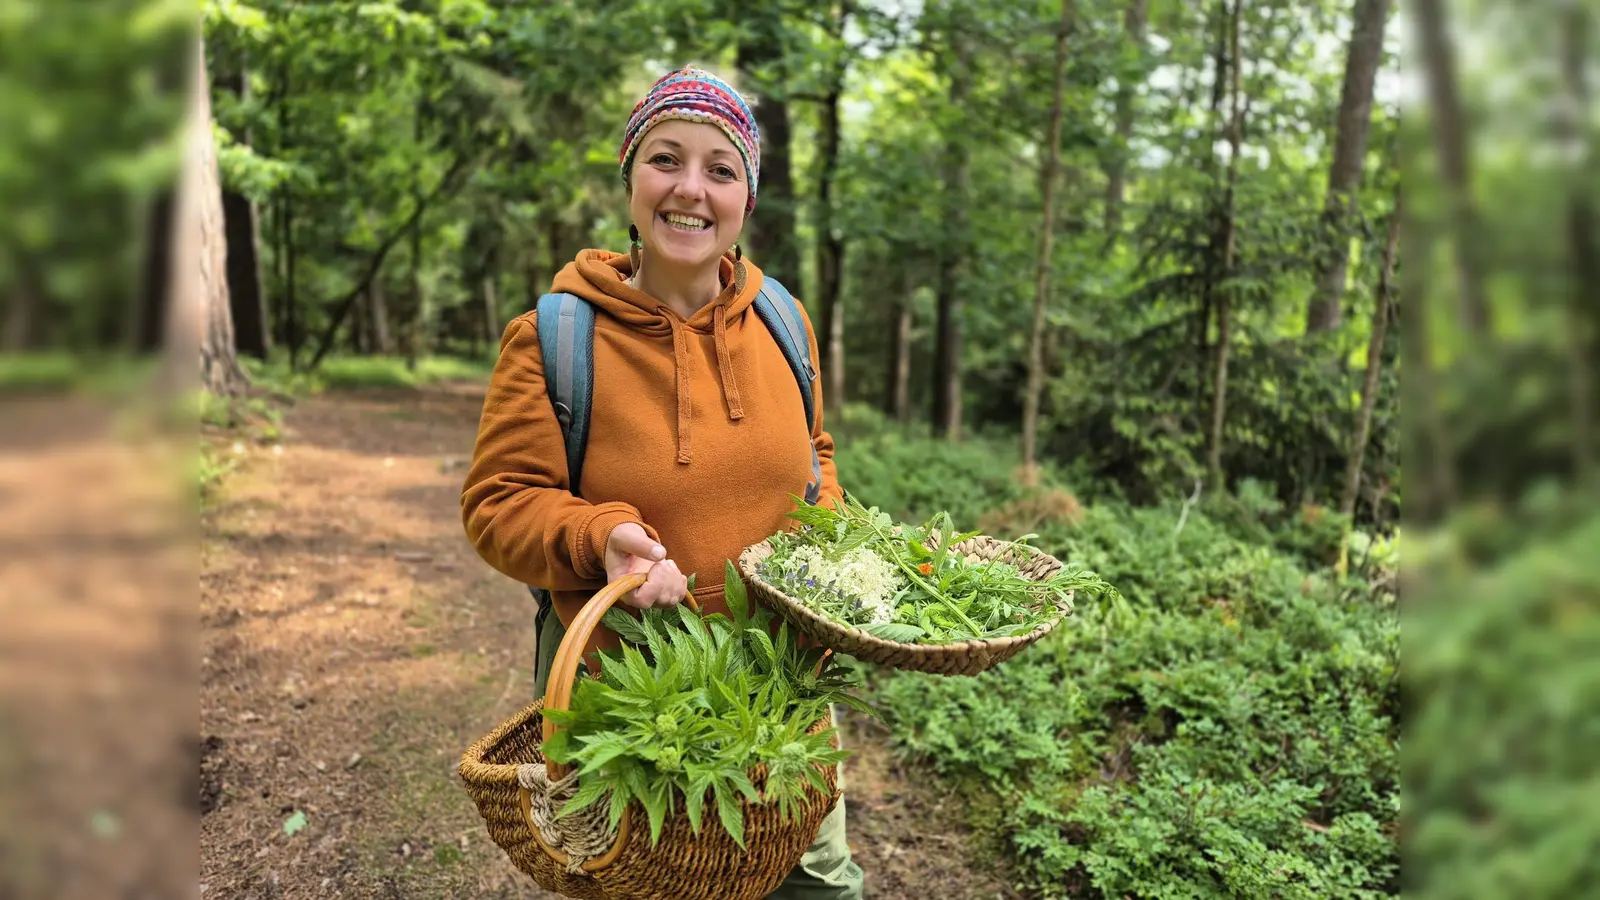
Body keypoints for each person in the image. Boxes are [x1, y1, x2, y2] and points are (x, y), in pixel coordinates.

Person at [460, 65, 864, 899]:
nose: (691, 188)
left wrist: (848, 556)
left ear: (747, 198)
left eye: (721, 169)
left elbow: (815, 459)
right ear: (631, 178)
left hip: (785, 710)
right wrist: (599, 536)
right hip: (637, 728)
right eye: (665, 159)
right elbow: (498, 502)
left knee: (815, 887)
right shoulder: (553, 338)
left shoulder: (784, 320)